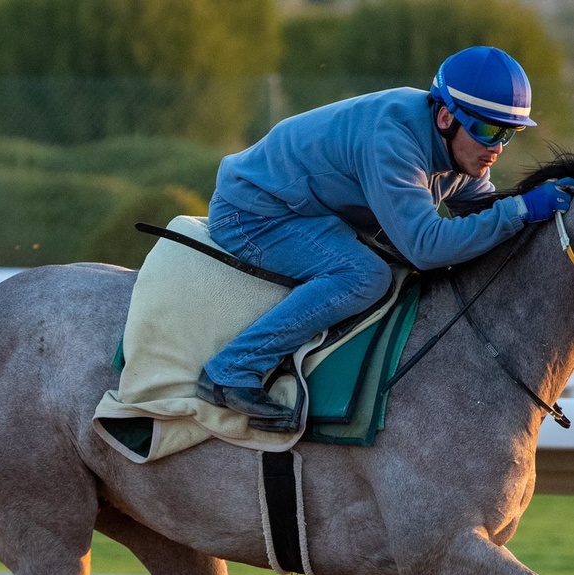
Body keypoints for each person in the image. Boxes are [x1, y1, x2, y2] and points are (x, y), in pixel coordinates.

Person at [196, 46, 574, 430]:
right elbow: (427, 248)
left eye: (507, 133)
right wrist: (522, 210)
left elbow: (481, 212)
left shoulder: (460, 151)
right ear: (446, 117)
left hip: (311, 214)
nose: (496, 147)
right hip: (253, 214)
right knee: (364, 275)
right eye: (489, 130)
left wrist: (539, 204)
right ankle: (233, 369)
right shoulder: (394, 140)